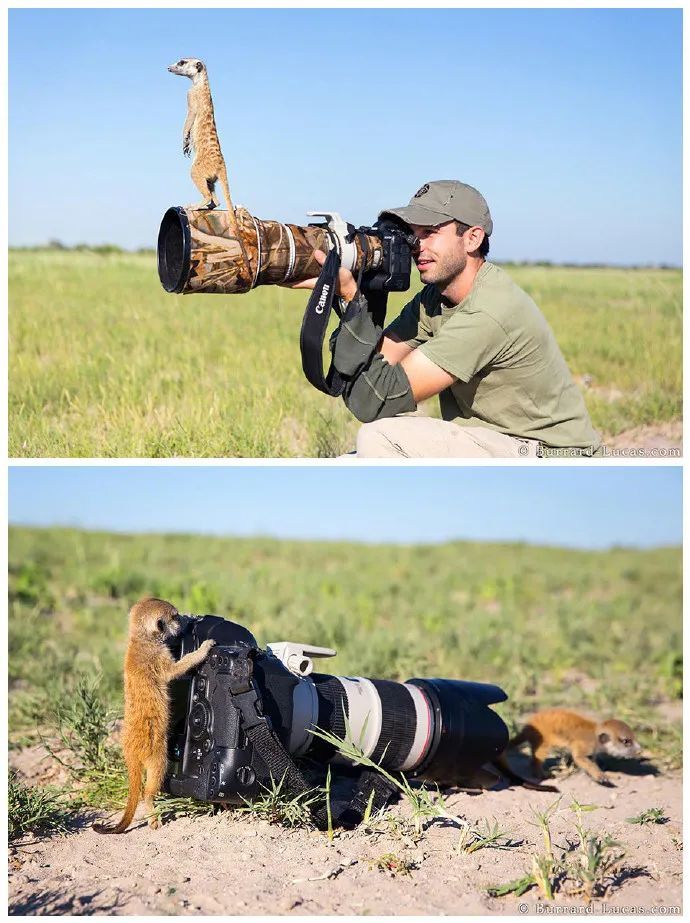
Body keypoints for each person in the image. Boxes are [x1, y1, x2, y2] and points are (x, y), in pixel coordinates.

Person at [293, 180, 601, 458]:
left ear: (472, 238)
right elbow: (363, 378)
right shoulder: (435, 299)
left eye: (429, 233)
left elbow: (376, 400)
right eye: (411, 236)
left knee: (379, 439)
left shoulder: (490, 311)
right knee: (348, 462)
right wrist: (357, 290)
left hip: (550, 453)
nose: (416, 247)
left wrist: (351, 301)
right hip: (496, 442)